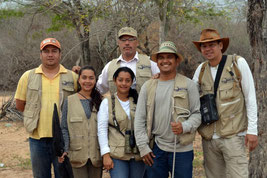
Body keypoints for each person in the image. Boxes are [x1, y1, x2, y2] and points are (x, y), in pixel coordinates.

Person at [192, 28, 258, 178]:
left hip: (233, 136)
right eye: (204, 46)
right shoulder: (200, 70)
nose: (208, 49)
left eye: (212, 45)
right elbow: (188, 94)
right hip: (209, 139)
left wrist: (252, 130)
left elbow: (250, 98)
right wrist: (162, 77)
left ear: (221, 45)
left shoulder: (237, 63)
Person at [134, 41, 201, 178]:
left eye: (169, 57)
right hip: (156, 149)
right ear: (157, 62)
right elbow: (140, 119)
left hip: (182, 150)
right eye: (161, 57)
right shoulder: (148, 86)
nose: (165, 61)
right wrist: (143, 147)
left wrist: (184, 126)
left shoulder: (189, 85)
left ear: (177, 61)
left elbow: (197, 114)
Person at [15, 38, 78, 178]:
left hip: (63, 139)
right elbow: (20, 105)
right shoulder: (28, 76)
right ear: (40, 54)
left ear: (60, 54)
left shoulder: (72, 77)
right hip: (37, 139)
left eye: (54, 51)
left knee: (64, 175)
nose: (50, 55)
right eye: (46, 51)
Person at [98, 67, 145, 178]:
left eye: (127, 80)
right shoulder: (107, 102)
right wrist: (105, 154)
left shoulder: (139, 101)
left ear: (132, 82)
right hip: (117, 155)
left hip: (138, 154)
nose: (123, 83)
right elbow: (101, 129)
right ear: (115, 80)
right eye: (120, 80)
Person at [59, 66, 103, 178]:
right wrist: (65, 148)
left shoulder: (101, 101)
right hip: (76, 155)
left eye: (91, 78)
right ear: (79, 80)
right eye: (84, 77)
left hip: (96, 155)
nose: (87, 81)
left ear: (95, 80)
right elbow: (64, 127)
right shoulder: (69, 101)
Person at [96, 26, 159, 94]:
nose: (127, 43)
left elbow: (163, 84)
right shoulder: (109, 66)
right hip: (117, 104)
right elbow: (99, 90)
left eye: (131, 39)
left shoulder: (149, 63)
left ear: (137, 42)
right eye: (123, 40)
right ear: (118, 43)